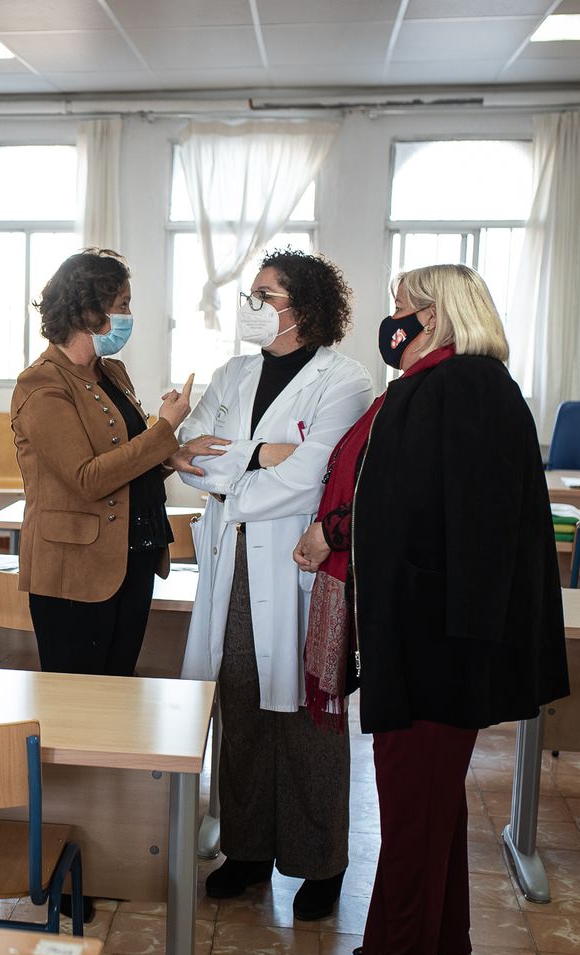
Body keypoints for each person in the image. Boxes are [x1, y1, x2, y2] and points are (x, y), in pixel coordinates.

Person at [293, 263, 568, 955]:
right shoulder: (474, 388)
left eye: (403, 309)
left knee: (411, 803)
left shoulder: (448, 391)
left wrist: (332, 532)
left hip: (432, 637)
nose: (394, 323)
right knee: (432, 799)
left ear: (438, 317)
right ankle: (443, 937)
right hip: (447, 632)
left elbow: (403, 513)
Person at [176, 249, 373, 920]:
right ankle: (248, 850)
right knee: (241, 706)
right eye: (251, 294)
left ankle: (320, 863)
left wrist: (240, 468)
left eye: (265, 295)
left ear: (305, 306)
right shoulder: (233, 373)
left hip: (302, 566)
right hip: (233, 564)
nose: (251, 306)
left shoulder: (345, 382)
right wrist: (260, 457)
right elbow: (185, 458)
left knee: (309, 717)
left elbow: (311, 478)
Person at [11, 249, 227, 677]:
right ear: (88, 311)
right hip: (76, 569)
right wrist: (163, 431)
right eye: (122, 304)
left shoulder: (113, 373)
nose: (130, 315)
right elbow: (87, 479)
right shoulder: (41, 385)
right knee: (81, 701)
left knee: (119, 687)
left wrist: (171, 457)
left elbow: (125, 460)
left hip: (133, 556)